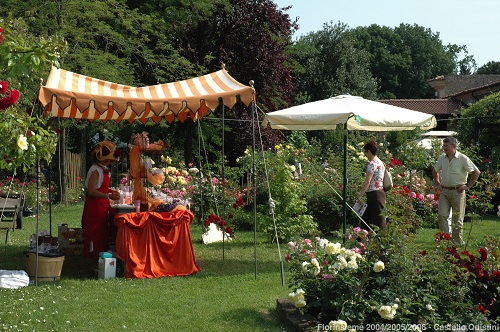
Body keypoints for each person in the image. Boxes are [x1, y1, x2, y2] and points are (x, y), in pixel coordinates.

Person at [432, 136, 480, 245]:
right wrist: (438, 183)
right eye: (443, 146)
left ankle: (457, 242)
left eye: (446, 146)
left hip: (458, 192)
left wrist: (468, 186)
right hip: (444, 191)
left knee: (457, 218)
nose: (444, 148)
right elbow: (435, 170)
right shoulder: (442, 158)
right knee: (442, 215)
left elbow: (476, 172)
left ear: (454, 146)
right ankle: (445, 240)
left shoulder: (462, 158)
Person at [82, 141, 120, 262]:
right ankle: (92, 257)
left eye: (111, 160)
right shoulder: (95, 170)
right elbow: (92, 190)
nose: (109, 162)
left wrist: (110, 190)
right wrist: (108, 195)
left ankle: (101, 257)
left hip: (102, 205)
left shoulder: (103, 170)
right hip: (94, 206)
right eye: (108, 160)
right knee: (94, 232)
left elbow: (101, 187)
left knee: (102, 231)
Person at [357, 141, 386, 229]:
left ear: (369, 151)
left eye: (365, 152)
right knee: (366, 219)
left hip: (375, 194)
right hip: (378, 193)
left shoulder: (372, 163)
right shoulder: (380, 162)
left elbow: (367, 181)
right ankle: (362, 239)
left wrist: (360, 195)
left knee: (378, 221)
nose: (365, 154)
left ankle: (381, 240)